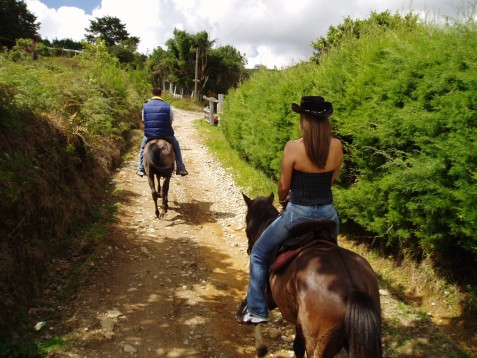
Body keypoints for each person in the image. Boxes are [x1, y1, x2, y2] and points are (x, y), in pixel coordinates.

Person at [237, 96, 343, 324]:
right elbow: (331, 180)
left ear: (304, 120)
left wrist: (284, 197)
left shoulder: (293, 147)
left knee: (258, 254)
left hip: (298, 214)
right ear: (325, 122)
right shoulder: (337, 146)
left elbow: (284, 187)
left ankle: (256, 309)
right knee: (336, 256)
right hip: (328, 215)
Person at [137, 87, 188, 177]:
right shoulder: (168, 106)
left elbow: (144, 119)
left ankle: (141, 169)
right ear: (161, 94)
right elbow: (171, 120)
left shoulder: (145, 106)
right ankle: (181, 168)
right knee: (176, 146)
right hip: (166, 134)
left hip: (150, 134)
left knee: (142, 148)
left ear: (152, 94)